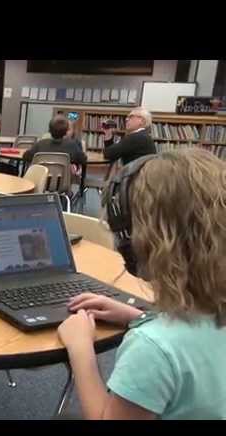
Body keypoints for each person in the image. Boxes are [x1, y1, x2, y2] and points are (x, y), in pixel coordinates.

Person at [58, 148, 226, 420]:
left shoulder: (152, 348)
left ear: (137, 243)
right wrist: (140, 315)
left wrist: (81, 349)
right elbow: (195, 336)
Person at [22, 115, 87, 171]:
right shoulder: (72, 145)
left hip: (43, 179)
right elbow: (83, 160)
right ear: (65, 131)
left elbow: (26, 157)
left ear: (49, 130)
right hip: (64, 180)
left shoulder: (40, 144)